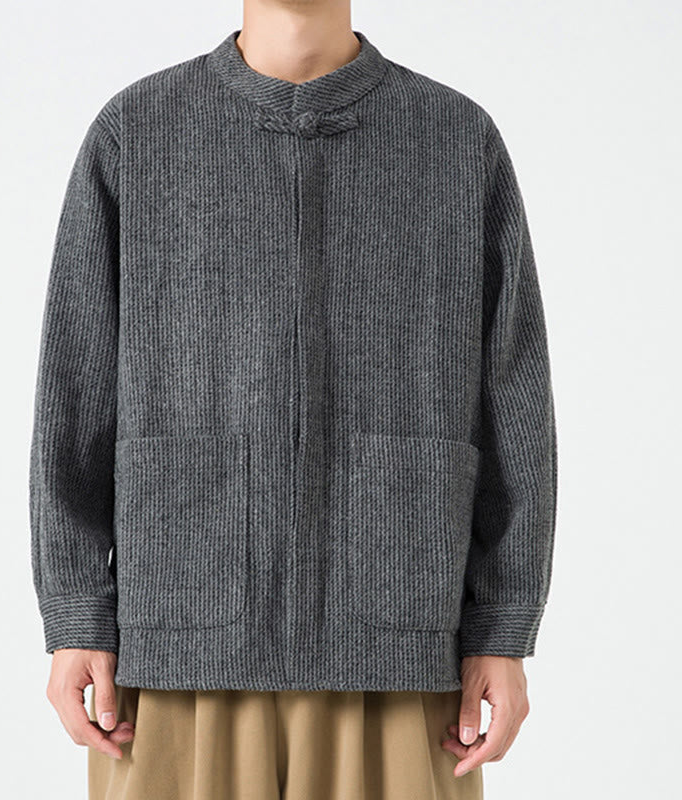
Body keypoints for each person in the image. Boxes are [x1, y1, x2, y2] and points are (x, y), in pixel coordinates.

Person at [29, 2, 558, 798]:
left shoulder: (456, 140)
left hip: (401, 646)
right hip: (178, 646)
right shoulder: (136, 133)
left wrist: (502, 627)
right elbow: (74, 394)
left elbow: (514, 396)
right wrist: (76, 611)